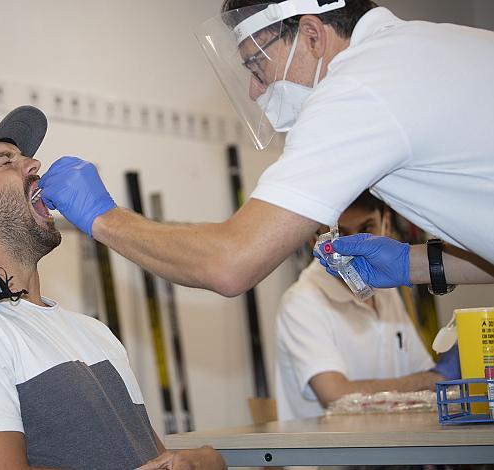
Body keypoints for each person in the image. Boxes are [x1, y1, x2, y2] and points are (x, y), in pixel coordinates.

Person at [34, 0, 494, 302]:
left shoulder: (359, 86)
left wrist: (104, 217)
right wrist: (416, 264)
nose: (255, 91)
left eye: (256, 63)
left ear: (312, 35)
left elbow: (230, 263)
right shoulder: (430, 47)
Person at [0, 105, 226, 470]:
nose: (33, 165)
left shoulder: (95, 333)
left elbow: (152, 460)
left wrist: (204, 461)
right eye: (6, 160)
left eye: (24, 156)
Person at [274, 191, 459, 421]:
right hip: (335, 453)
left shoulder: (386, 290)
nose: (354, 250)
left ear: (387, 224)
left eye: (367, 229)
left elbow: (420, 370)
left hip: (389, 446)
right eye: (341, 236)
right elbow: (336, 395)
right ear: (315, 239)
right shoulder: (301, 302)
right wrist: (438, 378)